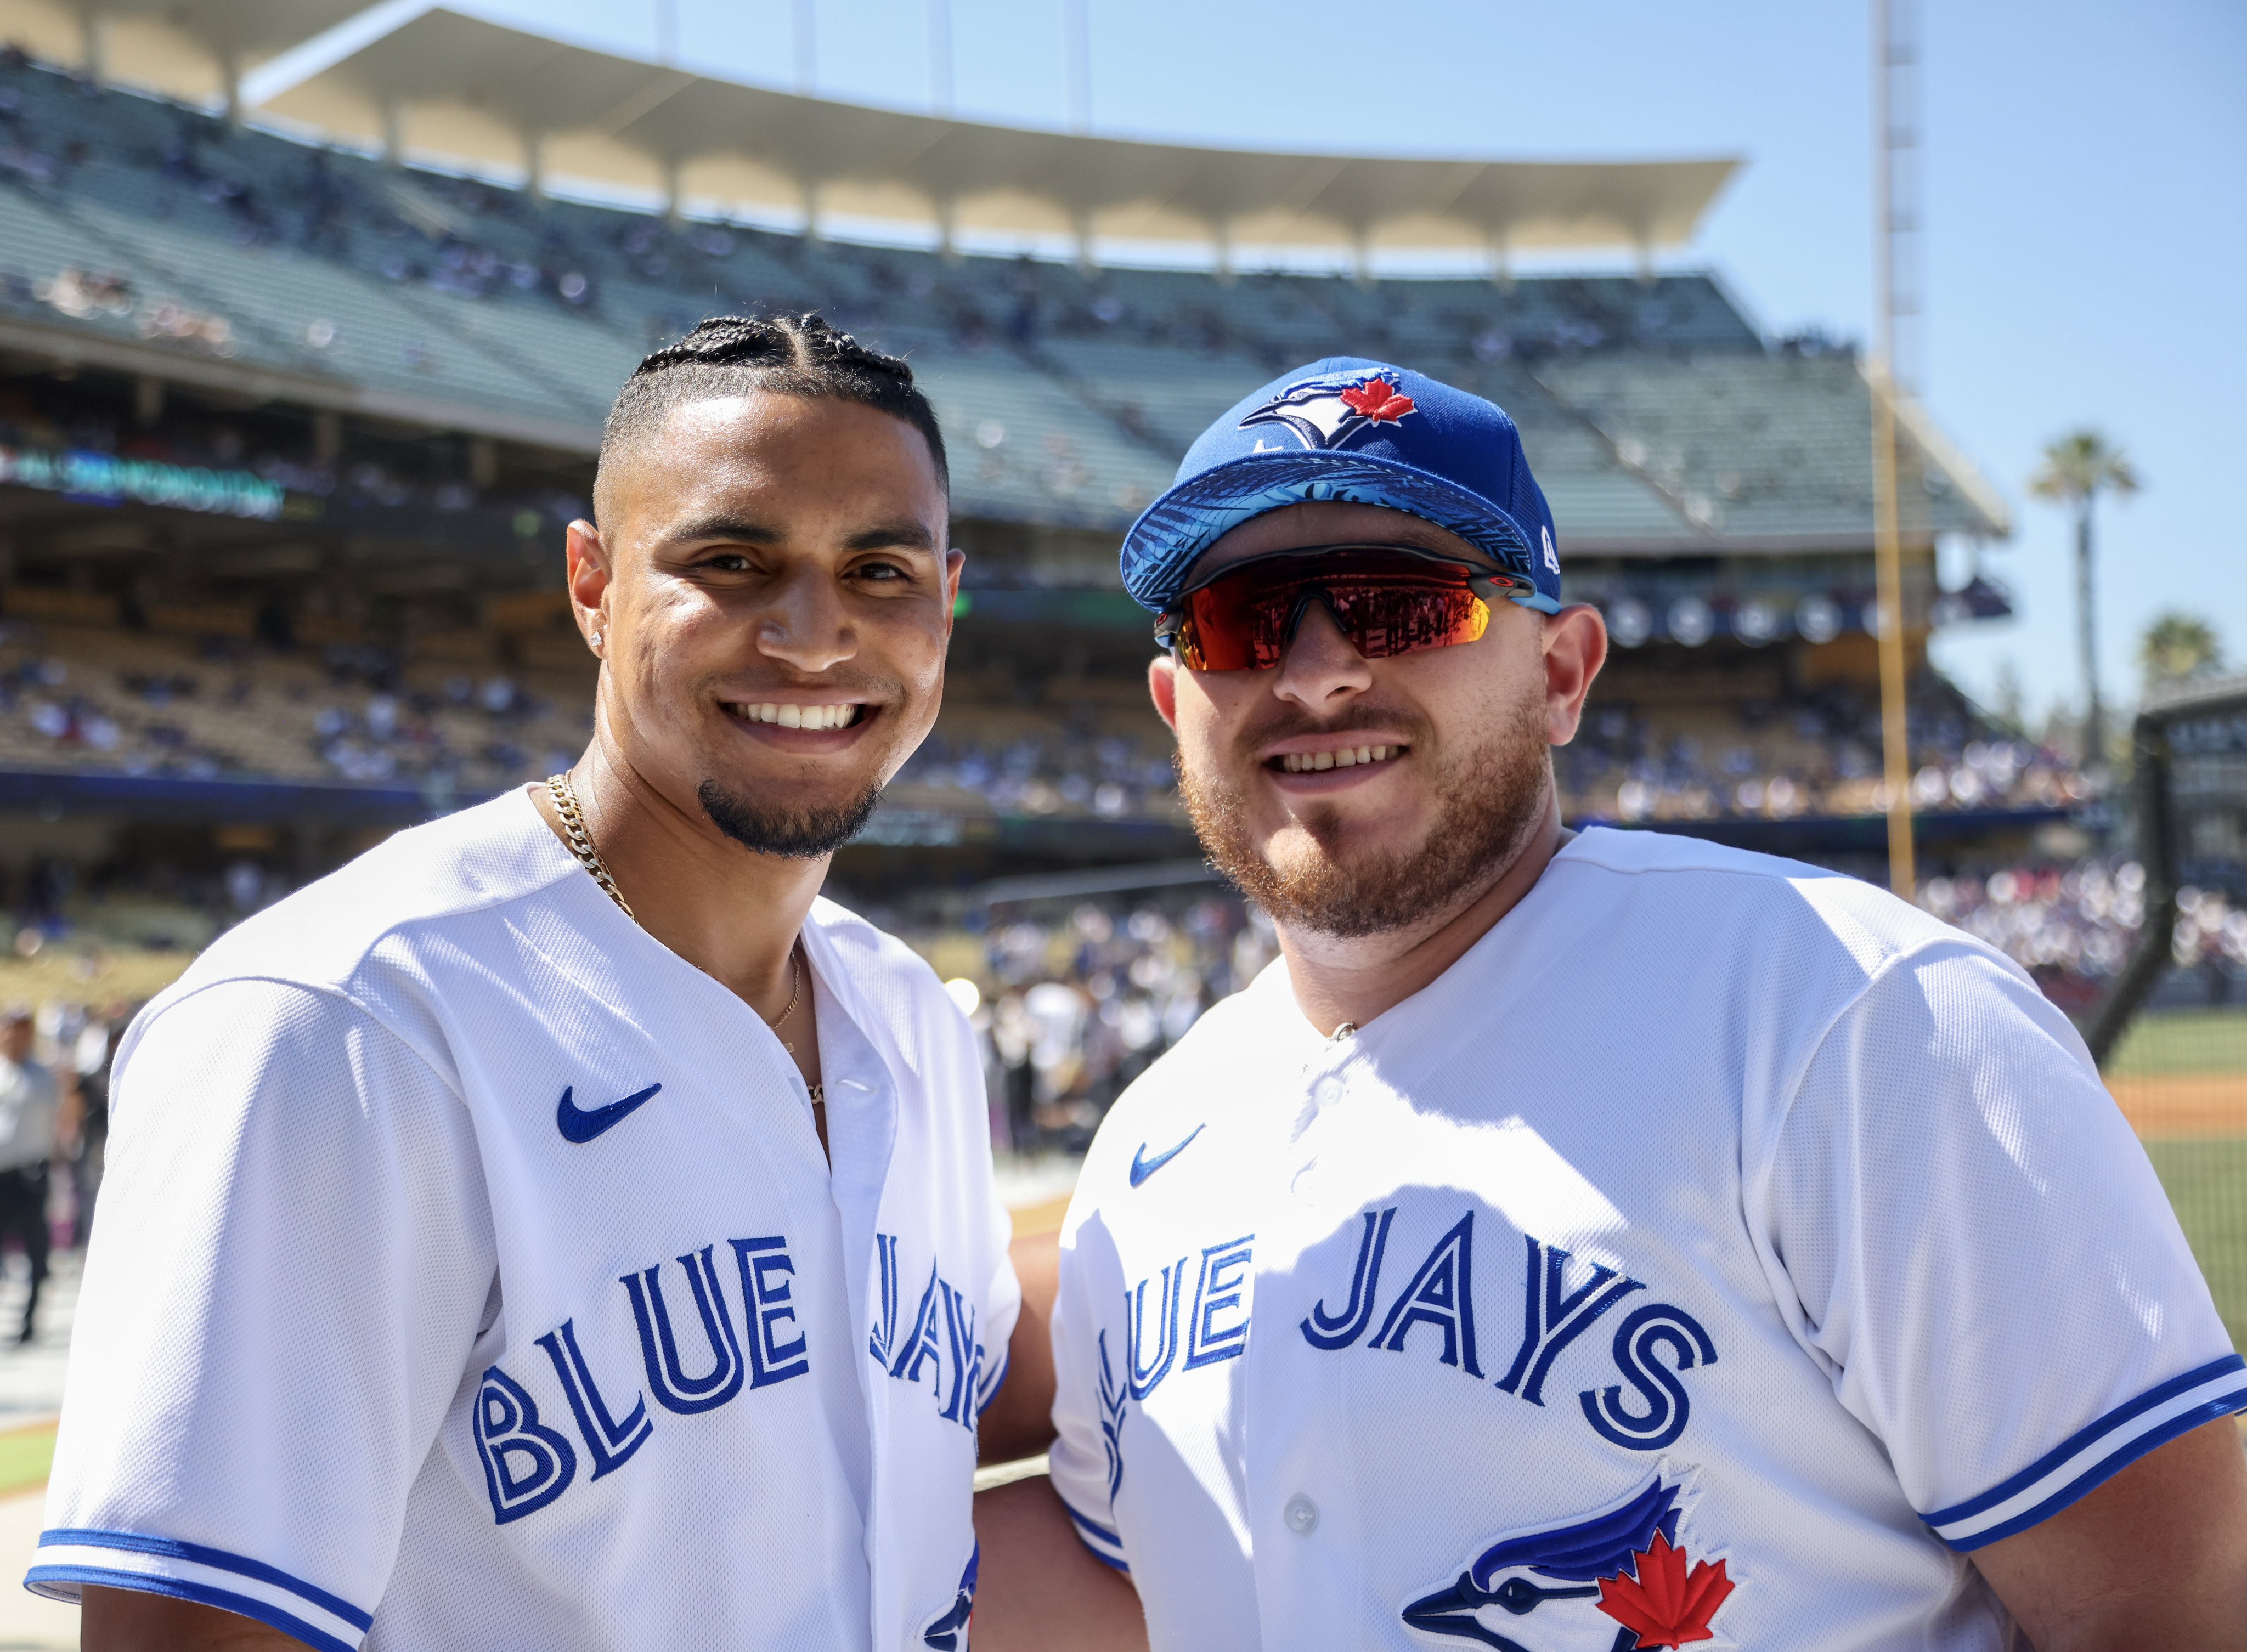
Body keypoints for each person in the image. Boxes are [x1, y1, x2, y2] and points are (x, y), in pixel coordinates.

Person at [973, 359, 2247, 1651]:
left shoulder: (1852, 1017)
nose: (1313, 672)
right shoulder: (1154, 1132)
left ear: (1563, 673)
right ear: (1174, 701)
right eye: (1239, 622)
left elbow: (2179, 1609)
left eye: (1399, 607)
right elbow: (1143, 1578)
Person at [37, 314, 1053, 1650]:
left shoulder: (909, 1012)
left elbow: (963, 1419)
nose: (815, 637)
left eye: (879, 570)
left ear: (947, 598)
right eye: (732, 561)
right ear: (594, 583)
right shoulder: (345, 1020)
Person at [0, 1008, 61, 1345]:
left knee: (36, 1253)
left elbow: (60, 1120)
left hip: (29, 1175)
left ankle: (29, 1322)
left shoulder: (42, 1077)